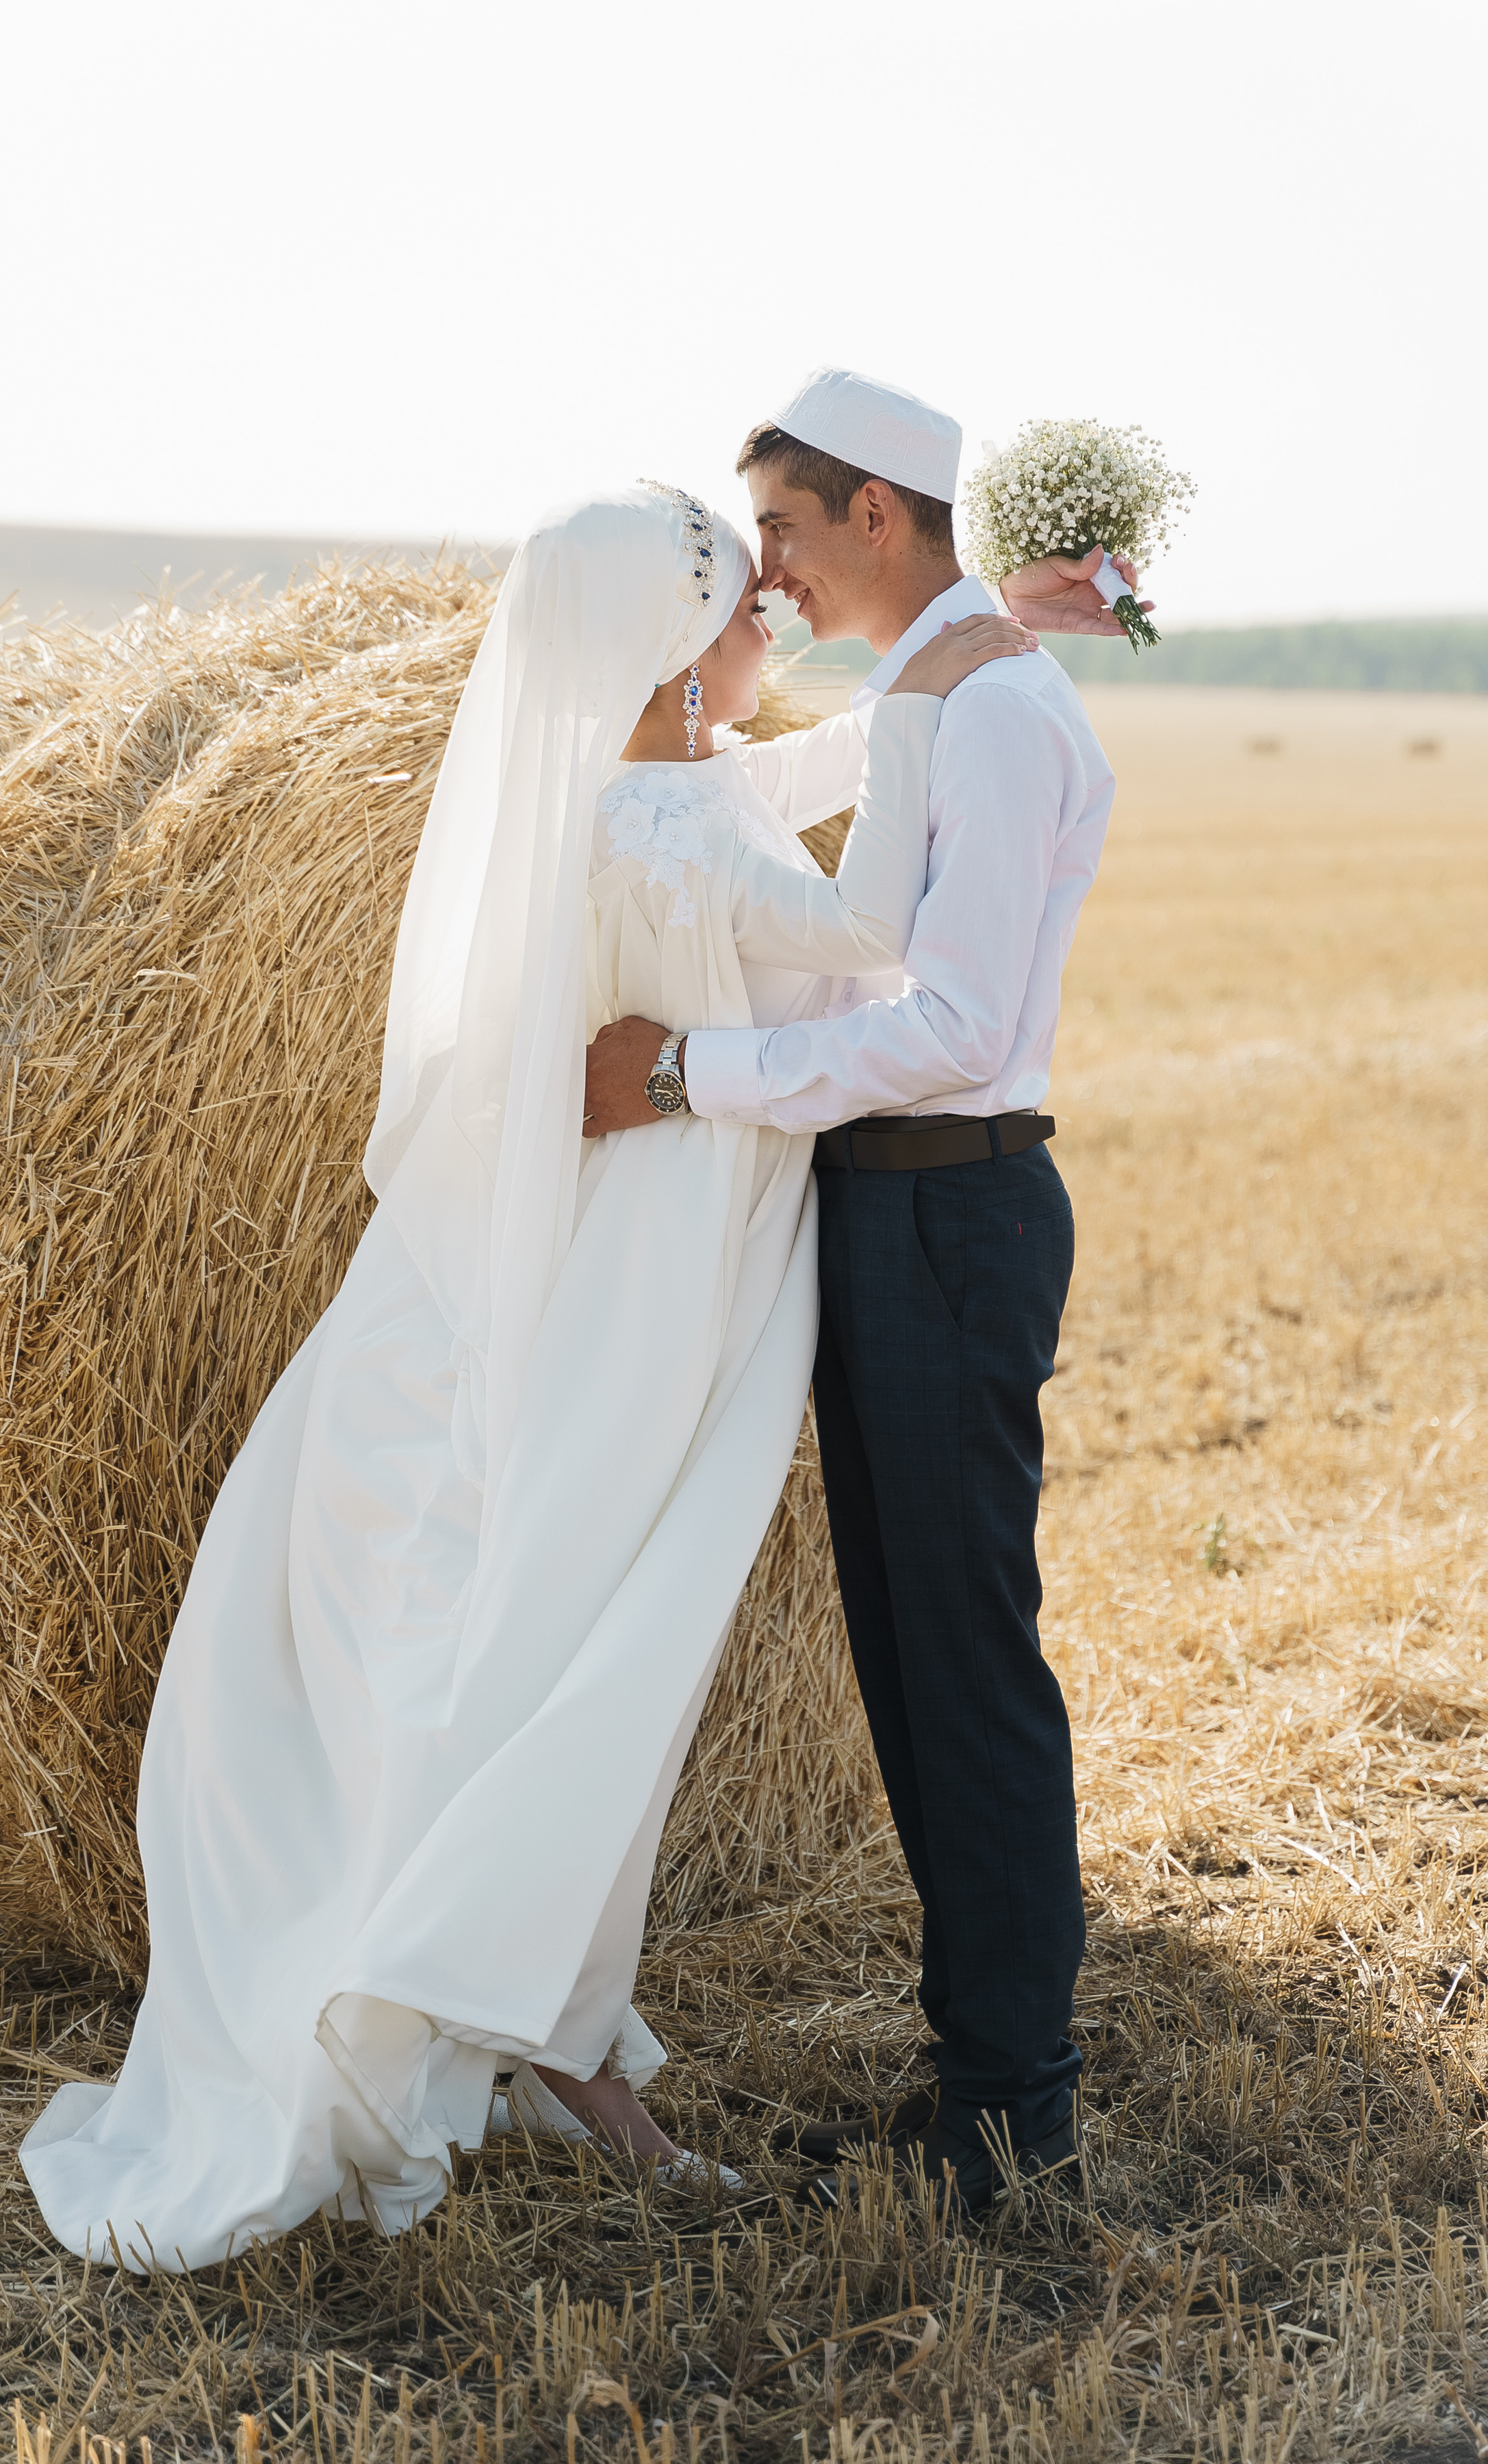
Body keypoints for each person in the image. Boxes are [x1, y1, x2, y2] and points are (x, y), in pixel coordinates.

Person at [18, 479, 1033, 2269]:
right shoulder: (670, 831)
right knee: (579, 1664)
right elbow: (875, 928)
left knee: (558, 1657)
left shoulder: (626, 796)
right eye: (737, 609)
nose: (767, 626)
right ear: (670, 643)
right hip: (641, 1306)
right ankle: (490, 2002)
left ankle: (542, 2027)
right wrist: (953, 673)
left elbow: (764, 791)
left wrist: (943, 660)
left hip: (580, 1277)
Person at [583, 370, 1124, 2215]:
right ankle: (979, 2080)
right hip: (897, 1214)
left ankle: (1014, 2109)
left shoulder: (981, 713)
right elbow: (795, 801)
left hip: (949, 1216)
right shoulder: (945, 689)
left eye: (792, 537)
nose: (777, 582)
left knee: (962, 1668)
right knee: (910, 1665)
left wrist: (678, 1077)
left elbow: (952, 1023)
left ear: (878, 514)